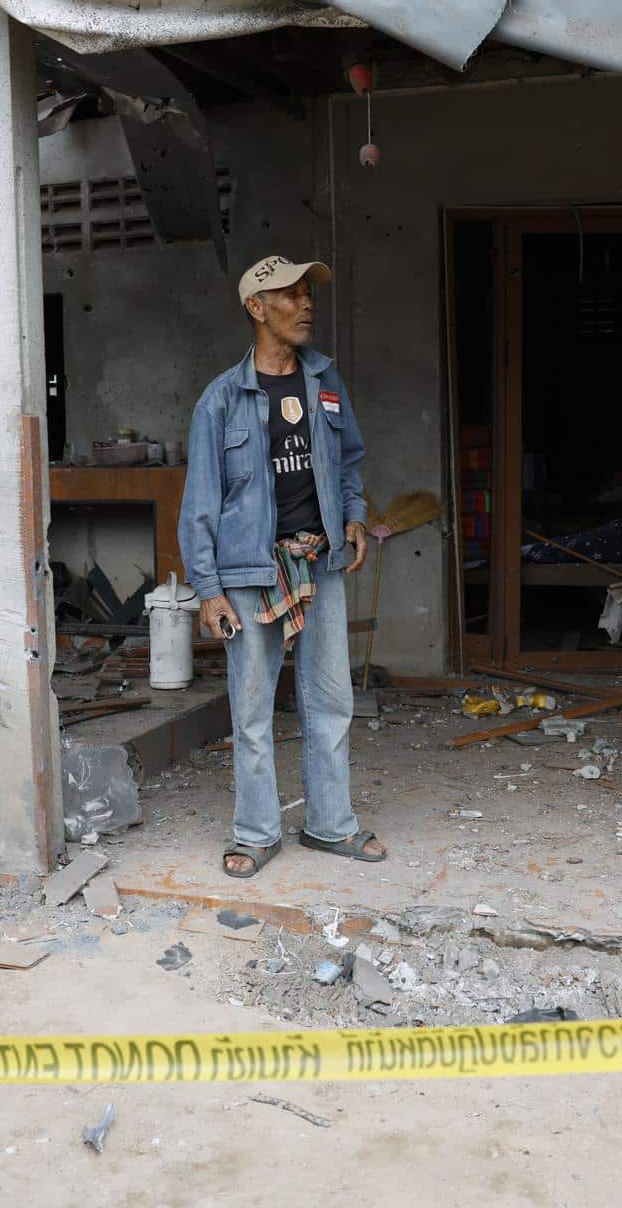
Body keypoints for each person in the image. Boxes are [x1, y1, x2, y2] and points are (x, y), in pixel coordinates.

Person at [178, 255, 387, 878]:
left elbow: (348, 459)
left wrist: (353, 514)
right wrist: (208, 589)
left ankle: (330, 825)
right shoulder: (220, 400)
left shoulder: (324, 380)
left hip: (318, 560)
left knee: (331, 700)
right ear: (256, 307)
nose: (306, 304)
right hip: (250, 572)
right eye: (291, 295)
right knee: (251, 709)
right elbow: (200, 503)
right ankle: (256, 833)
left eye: (307, 293)